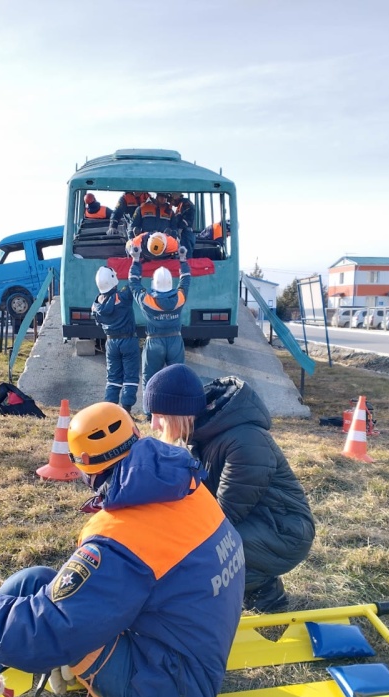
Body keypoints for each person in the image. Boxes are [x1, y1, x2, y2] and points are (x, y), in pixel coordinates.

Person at [0, 403, 244, 697]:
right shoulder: (184, 484)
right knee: (34, 582)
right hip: (188, 655)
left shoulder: (119, 535)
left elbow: (44, 636)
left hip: (167, 694)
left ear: (84, 467)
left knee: (38, 605)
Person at [143, 364, 316, 613]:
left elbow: (224, 516)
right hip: (257, 521)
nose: (155, 426)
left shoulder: (245, 441)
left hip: (284, 530)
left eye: (159, 416)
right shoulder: (201, 435)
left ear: (179, 411)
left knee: (203, 554)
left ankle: (266, 597)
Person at [128, 243, 191, 415]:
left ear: (154, 284)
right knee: (178, 377)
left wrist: (135, 260)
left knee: (150, 379)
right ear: (171, 284)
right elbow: (186, 280)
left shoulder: (147, 300)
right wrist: (183, 260)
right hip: (175, 340)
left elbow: (133, 283)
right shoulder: (179, 297)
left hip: (154, 342)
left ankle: (150, 414)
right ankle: (177, 412)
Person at [91, 266, 139, 414]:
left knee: (113, 378)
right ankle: (126, 409)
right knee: (130, 377)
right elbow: (134, 282)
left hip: (110, 342)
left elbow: (98, 323)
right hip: (128, 341)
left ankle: (109, 410)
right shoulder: (122, 297)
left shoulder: (96, 304)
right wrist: (135, 261)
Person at [170, 192, 196, 258]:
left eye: (172, 197)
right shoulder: (180, 205)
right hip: (182, 233)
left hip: (185, 233)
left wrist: (180, 229)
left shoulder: (186, 204)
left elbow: (187, 219)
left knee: (186, 256)